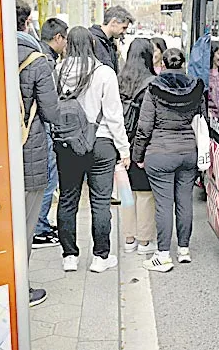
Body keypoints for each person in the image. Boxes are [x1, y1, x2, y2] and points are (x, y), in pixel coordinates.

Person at [55, 26, 130, 273]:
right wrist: (124, 148)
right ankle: (100, 257)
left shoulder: (59, 70)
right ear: (92, 44)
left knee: (68, 199)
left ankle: (69, 256)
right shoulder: (104, 73)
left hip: (68, 144)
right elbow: (114, 115)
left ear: (68, 45)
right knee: (100, 201)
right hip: (101, 143)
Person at [133, 48, 205, 272]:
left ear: (162, 64)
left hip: (160, 152)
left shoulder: (154, 88)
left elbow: (144, 126)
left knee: (164, 204)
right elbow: (200, 118)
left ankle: (163, 254)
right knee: (185, 201)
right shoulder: (196, 87)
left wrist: (138, 156)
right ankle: (184, 250)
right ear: (183, 64)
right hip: (188, 151)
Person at [16, 0, 59, 306]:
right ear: (27, 22)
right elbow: (52, 112)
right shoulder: (36, 60)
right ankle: (20, 288)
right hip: (28, 151)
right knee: (25, 225)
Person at [118, 39, 158, 256]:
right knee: (144, 195)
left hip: (121, 143)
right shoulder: (152, 82)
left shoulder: (119, 79)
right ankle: (144, 241)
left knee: (126, 194)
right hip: (143, 144)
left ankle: (128, 239)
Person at [32, 18, 68, 249]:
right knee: (48, 177)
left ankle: (39, 224)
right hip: (42, 128)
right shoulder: (46, 61)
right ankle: (40, 229)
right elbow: (49, 103)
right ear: (58, 38)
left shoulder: (36, 54)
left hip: (33, 126)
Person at [90, 5, 135, 74]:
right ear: (113, 22)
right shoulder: (92, 41)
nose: (125, 32)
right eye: (124, 28)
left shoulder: (110, 43)